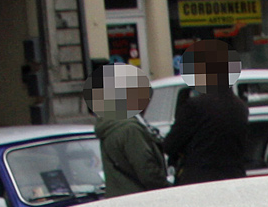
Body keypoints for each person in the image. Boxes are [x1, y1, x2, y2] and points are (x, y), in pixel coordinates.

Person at [163, 41, 250, 185]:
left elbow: (171, 145)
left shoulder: (195, 106)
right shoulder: (240, 107)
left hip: (201, 181)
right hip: (234, 180)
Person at [92, 64, 168, 197]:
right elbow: (147, 171)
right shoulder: (130, 129)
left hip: (121, 196)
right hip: (139, 199)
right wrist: (168, 190)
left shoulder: (113, 123)